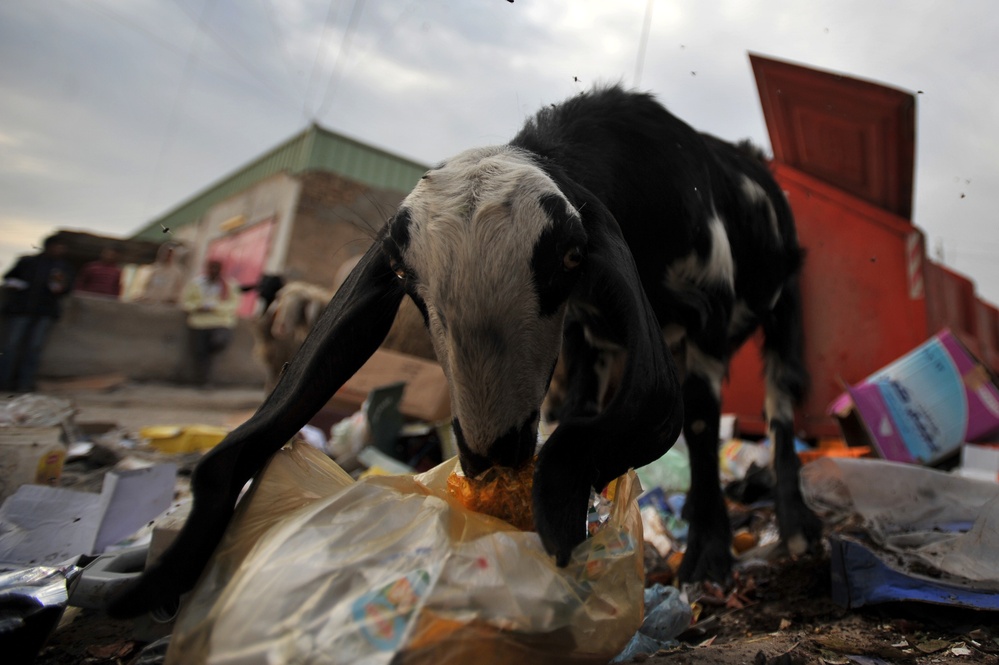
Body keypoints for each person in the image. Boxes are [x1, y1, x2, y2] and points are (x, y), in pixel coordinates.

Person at [0, 235, 75, 392]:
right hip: (20, 310)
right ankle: (4, 382)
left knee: (34, 348)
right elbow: (9, 278)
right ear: (48, 246)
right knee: (11, 346)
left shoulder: (63, 267)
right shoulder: (28, 262)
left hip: (45, 313)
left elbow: (66, 289)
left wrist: (60, 287)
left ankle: (24, 385)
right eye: (58, 246)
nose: (60, 250)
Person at [181, 258, 240, 387]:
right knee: (199, 353)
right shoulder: (196, 284)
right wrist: (198, 307)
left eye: (216, 268)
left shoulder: (229, 285)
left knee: (219, 341)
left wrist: (216, 307)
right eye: (211, 268)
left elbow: (234, 305)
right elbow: (186, 302)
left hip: (220, 322)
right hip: (199, 322)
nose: (213, 271)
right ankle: (202, 381)